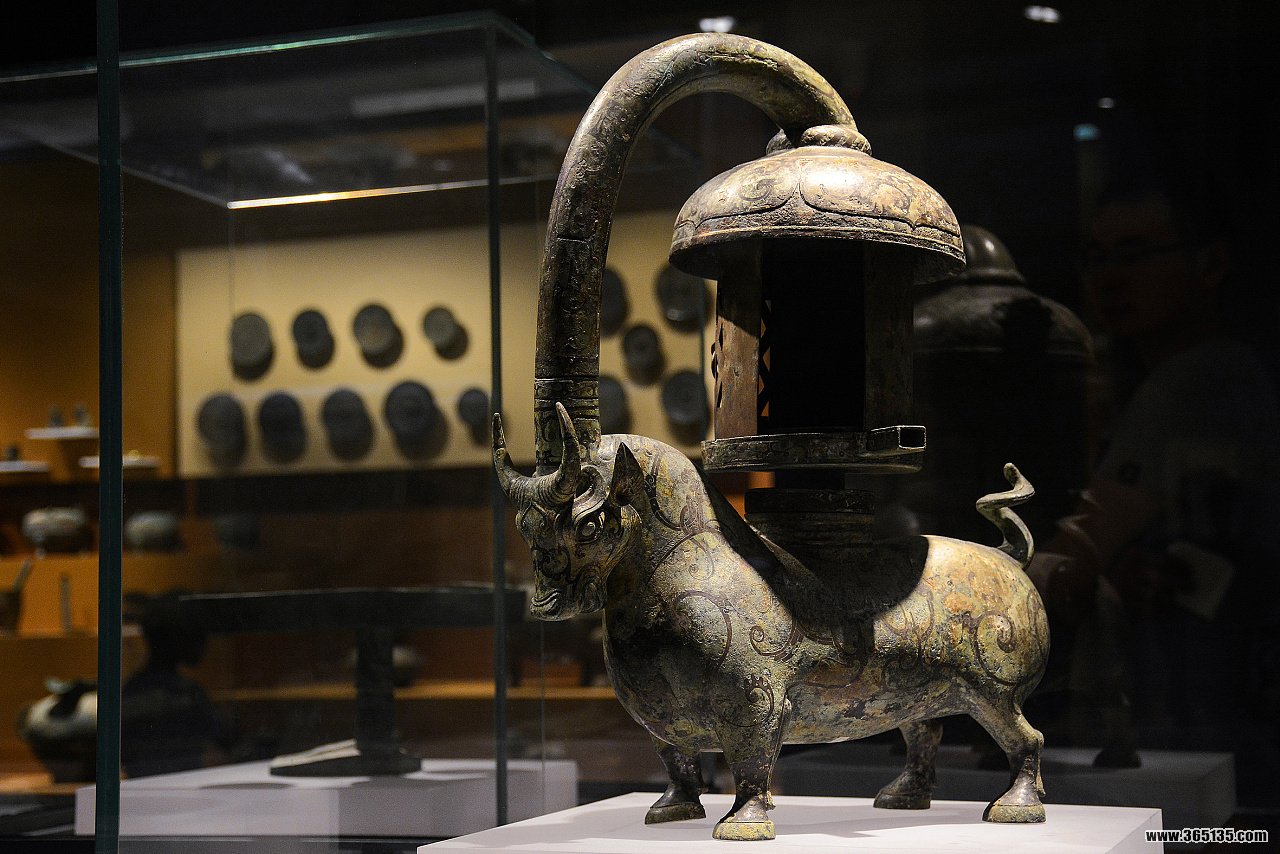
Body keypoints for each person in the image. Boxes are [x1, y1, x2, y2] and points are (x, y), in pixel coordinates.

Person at [1030, 176, 1280, 793]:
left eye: (1135, 253)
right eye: (1097, 257)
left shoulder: (1200, 378)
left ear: (1210, 263)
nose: (1109, 278)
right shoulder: (1160, 380)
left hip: (1215, 701)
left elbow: (1082, 550)